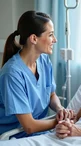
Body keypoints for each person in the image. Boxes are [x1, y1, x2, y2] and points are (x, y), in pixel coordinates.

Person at [0, 10, 74, 139]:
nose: (55, 40)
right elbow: (29, 126)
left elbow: (51, 94)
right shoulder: (12, 74)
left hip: (39, 132)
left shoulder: (44, 61)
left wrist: (60, 109)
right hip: (14, 135)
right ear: (34, 38)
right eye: (50, 35)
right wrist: (60, 122)